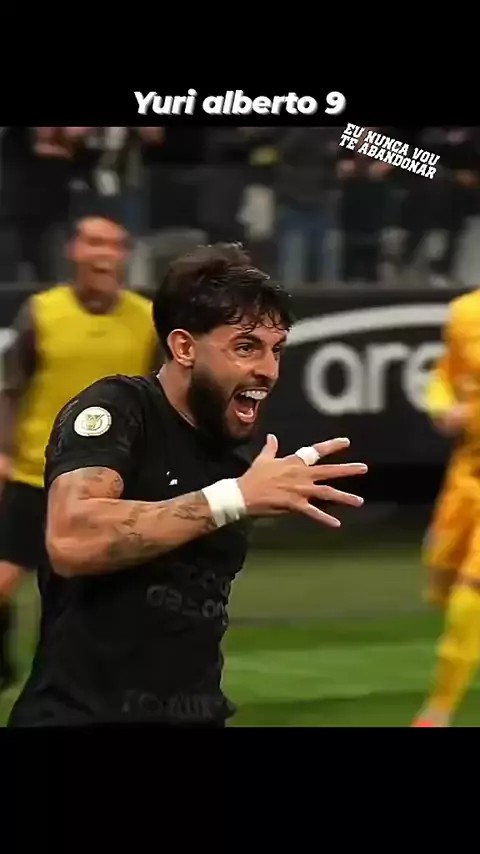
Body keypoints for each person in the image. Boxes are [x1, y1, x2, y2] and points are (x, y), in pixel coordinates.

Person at [7, 242, 367, 728]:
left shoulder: (231, 451)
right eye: (246, 347)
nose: (268, 370)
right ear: (184, 348)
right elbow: (72, 537)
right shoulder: (119, 409)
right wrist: (235, 497)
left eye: (276, 349)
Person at [0, 215, 158, 692]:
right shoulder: (42, 313)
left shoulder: (147, 319)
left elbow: (161, 397)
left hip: (110, 481)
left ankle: (86, 683)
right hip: (36, 475)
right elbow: (11, 388)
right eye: (93, 243)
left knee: (93, 598)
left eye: (114, 244)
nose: (103, 254)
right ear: (74, 252)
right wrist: (3, 451)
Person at [413, 289, 480, 727]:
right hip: (467, 477)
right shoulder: (465, 313)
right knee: (440, 580)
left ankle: (437, 712)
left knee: (470, 595)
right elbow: (445, 373)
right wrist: (442, 406)